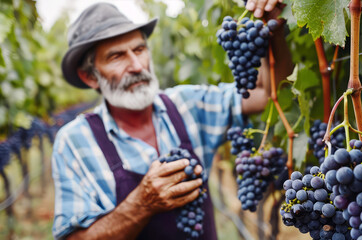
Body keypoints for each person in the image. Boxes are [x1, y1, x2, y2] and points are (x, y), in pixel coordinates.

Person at [51, 1, 293, 239]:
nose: (136, 66)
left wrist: (273, 27)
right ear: (89, 76)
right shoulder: (74, 142)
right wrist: (141, 204)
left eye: (139, 49)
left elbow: (264, 94)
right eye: (116, 57)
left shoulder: (187, 104)